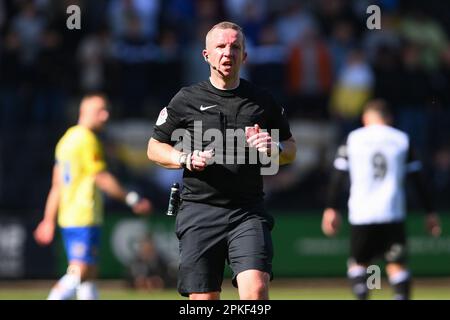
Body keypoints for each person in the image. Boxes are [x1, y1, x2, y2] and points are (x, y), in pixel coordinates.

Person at [147, 21, 296, 300]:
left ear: (245, 56)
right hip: (199, 211)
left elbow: (291, 149)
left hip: (247, 212)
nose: (228, 53)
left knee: (256, 292)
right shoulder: (185, 99)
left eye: (235, 47)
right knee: (204, 301)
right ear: (206, 55)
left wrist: (273, 146)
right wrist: (185, 158)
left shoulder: (262, 101)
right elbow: (154, 148)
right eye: (220, 47)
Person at [34, 93, 152, 300]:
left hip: (70, 215)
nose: (105, 116)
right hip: (83, 214)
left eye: (106, 110)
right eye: (100, 111)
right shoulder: (87, 139)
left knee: (88, 275)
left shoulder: (66, 139)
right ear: (84, 112)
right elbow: (101, 177)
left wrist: (48, 219)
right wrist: (132, 199)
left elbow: (57, 185)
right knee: (79, 272)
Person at [322, 99, 441, 300]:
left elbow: (338, 177)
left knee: (360, 264)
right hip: (392, 211)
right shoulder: (402, 139)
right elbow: (418, 180)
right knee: (397, 265)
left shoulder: (353, 138)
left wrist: (331, 208)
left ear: (365, 118)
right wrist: (429, 212)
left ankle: (364, 294)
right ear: (389, 118)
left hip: (362, 213)